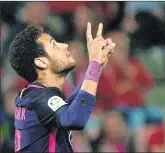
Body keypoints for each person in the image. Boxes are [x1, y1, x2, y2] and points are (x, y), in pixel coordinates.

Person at [8, 22, 115, 152]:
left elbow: (70, 107)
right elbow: (74, 118)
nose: (64, 45)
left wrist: (97, 66)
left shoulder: (35, 96)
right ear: (41, 62)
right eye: (54, 44)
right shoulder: (39, 98)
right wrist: (94, 63)